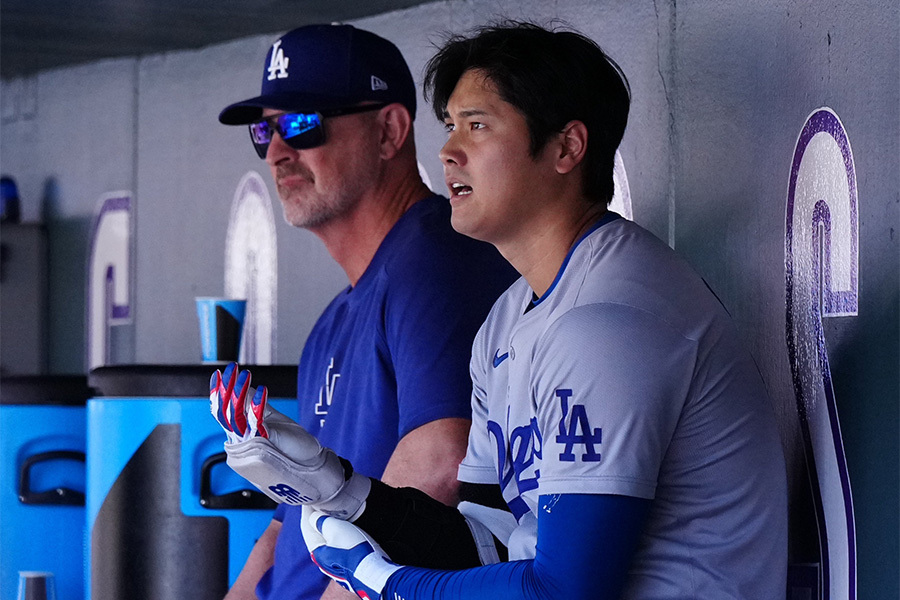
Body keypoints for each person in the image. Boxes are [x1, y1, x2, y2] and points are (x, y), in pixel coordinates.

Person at [214, 21, 788, 600]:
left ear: (566, 147)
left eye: (478, 126)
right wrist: (348, 495)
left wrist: (392, 586)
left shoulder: (607, 321)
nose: (448, 151)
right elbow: (489, 541)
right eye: (450, 126)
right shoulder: (509, 320)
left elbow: (565, 591)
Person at [213, 23, 517, 600]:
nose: (277, 152)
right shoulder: (333, 319)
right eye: (264, 130)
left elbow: (441, 469)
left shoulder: (435, 259)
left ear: (389, 131)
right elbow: (289, 516)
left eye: (302, 125)